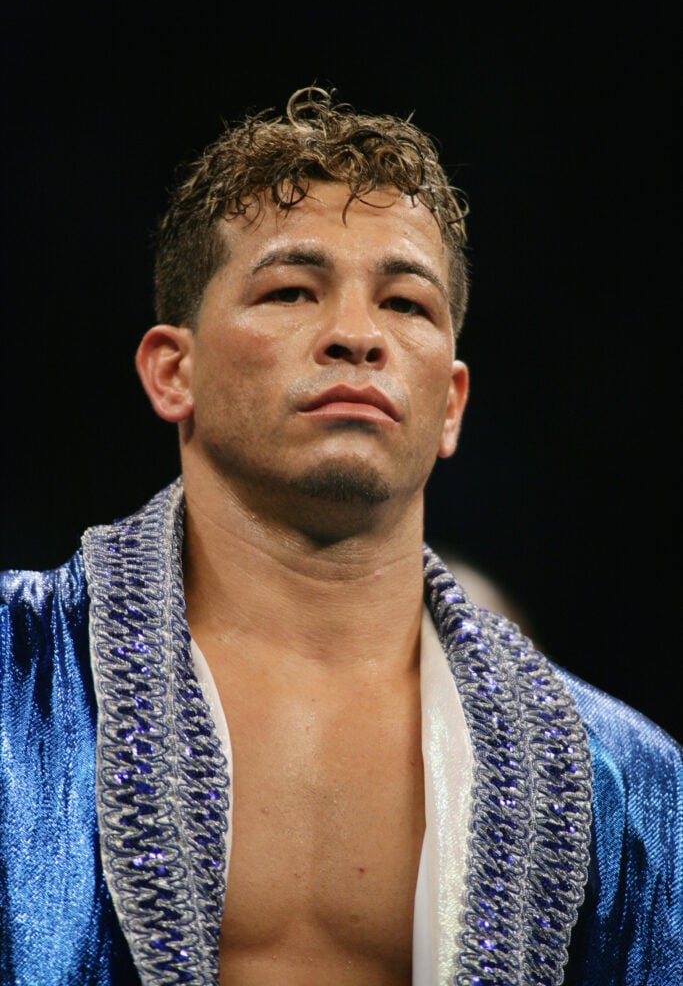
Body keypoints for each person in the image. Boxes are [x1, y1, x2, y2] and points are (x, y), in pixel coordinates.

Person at [0, 86, 680, 986]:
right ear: (174, 370)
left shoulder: (626, 781)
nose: (357, 336)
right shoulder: (14, 676)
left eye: (406, 305)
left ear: (452, 404)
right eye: (291, 289)